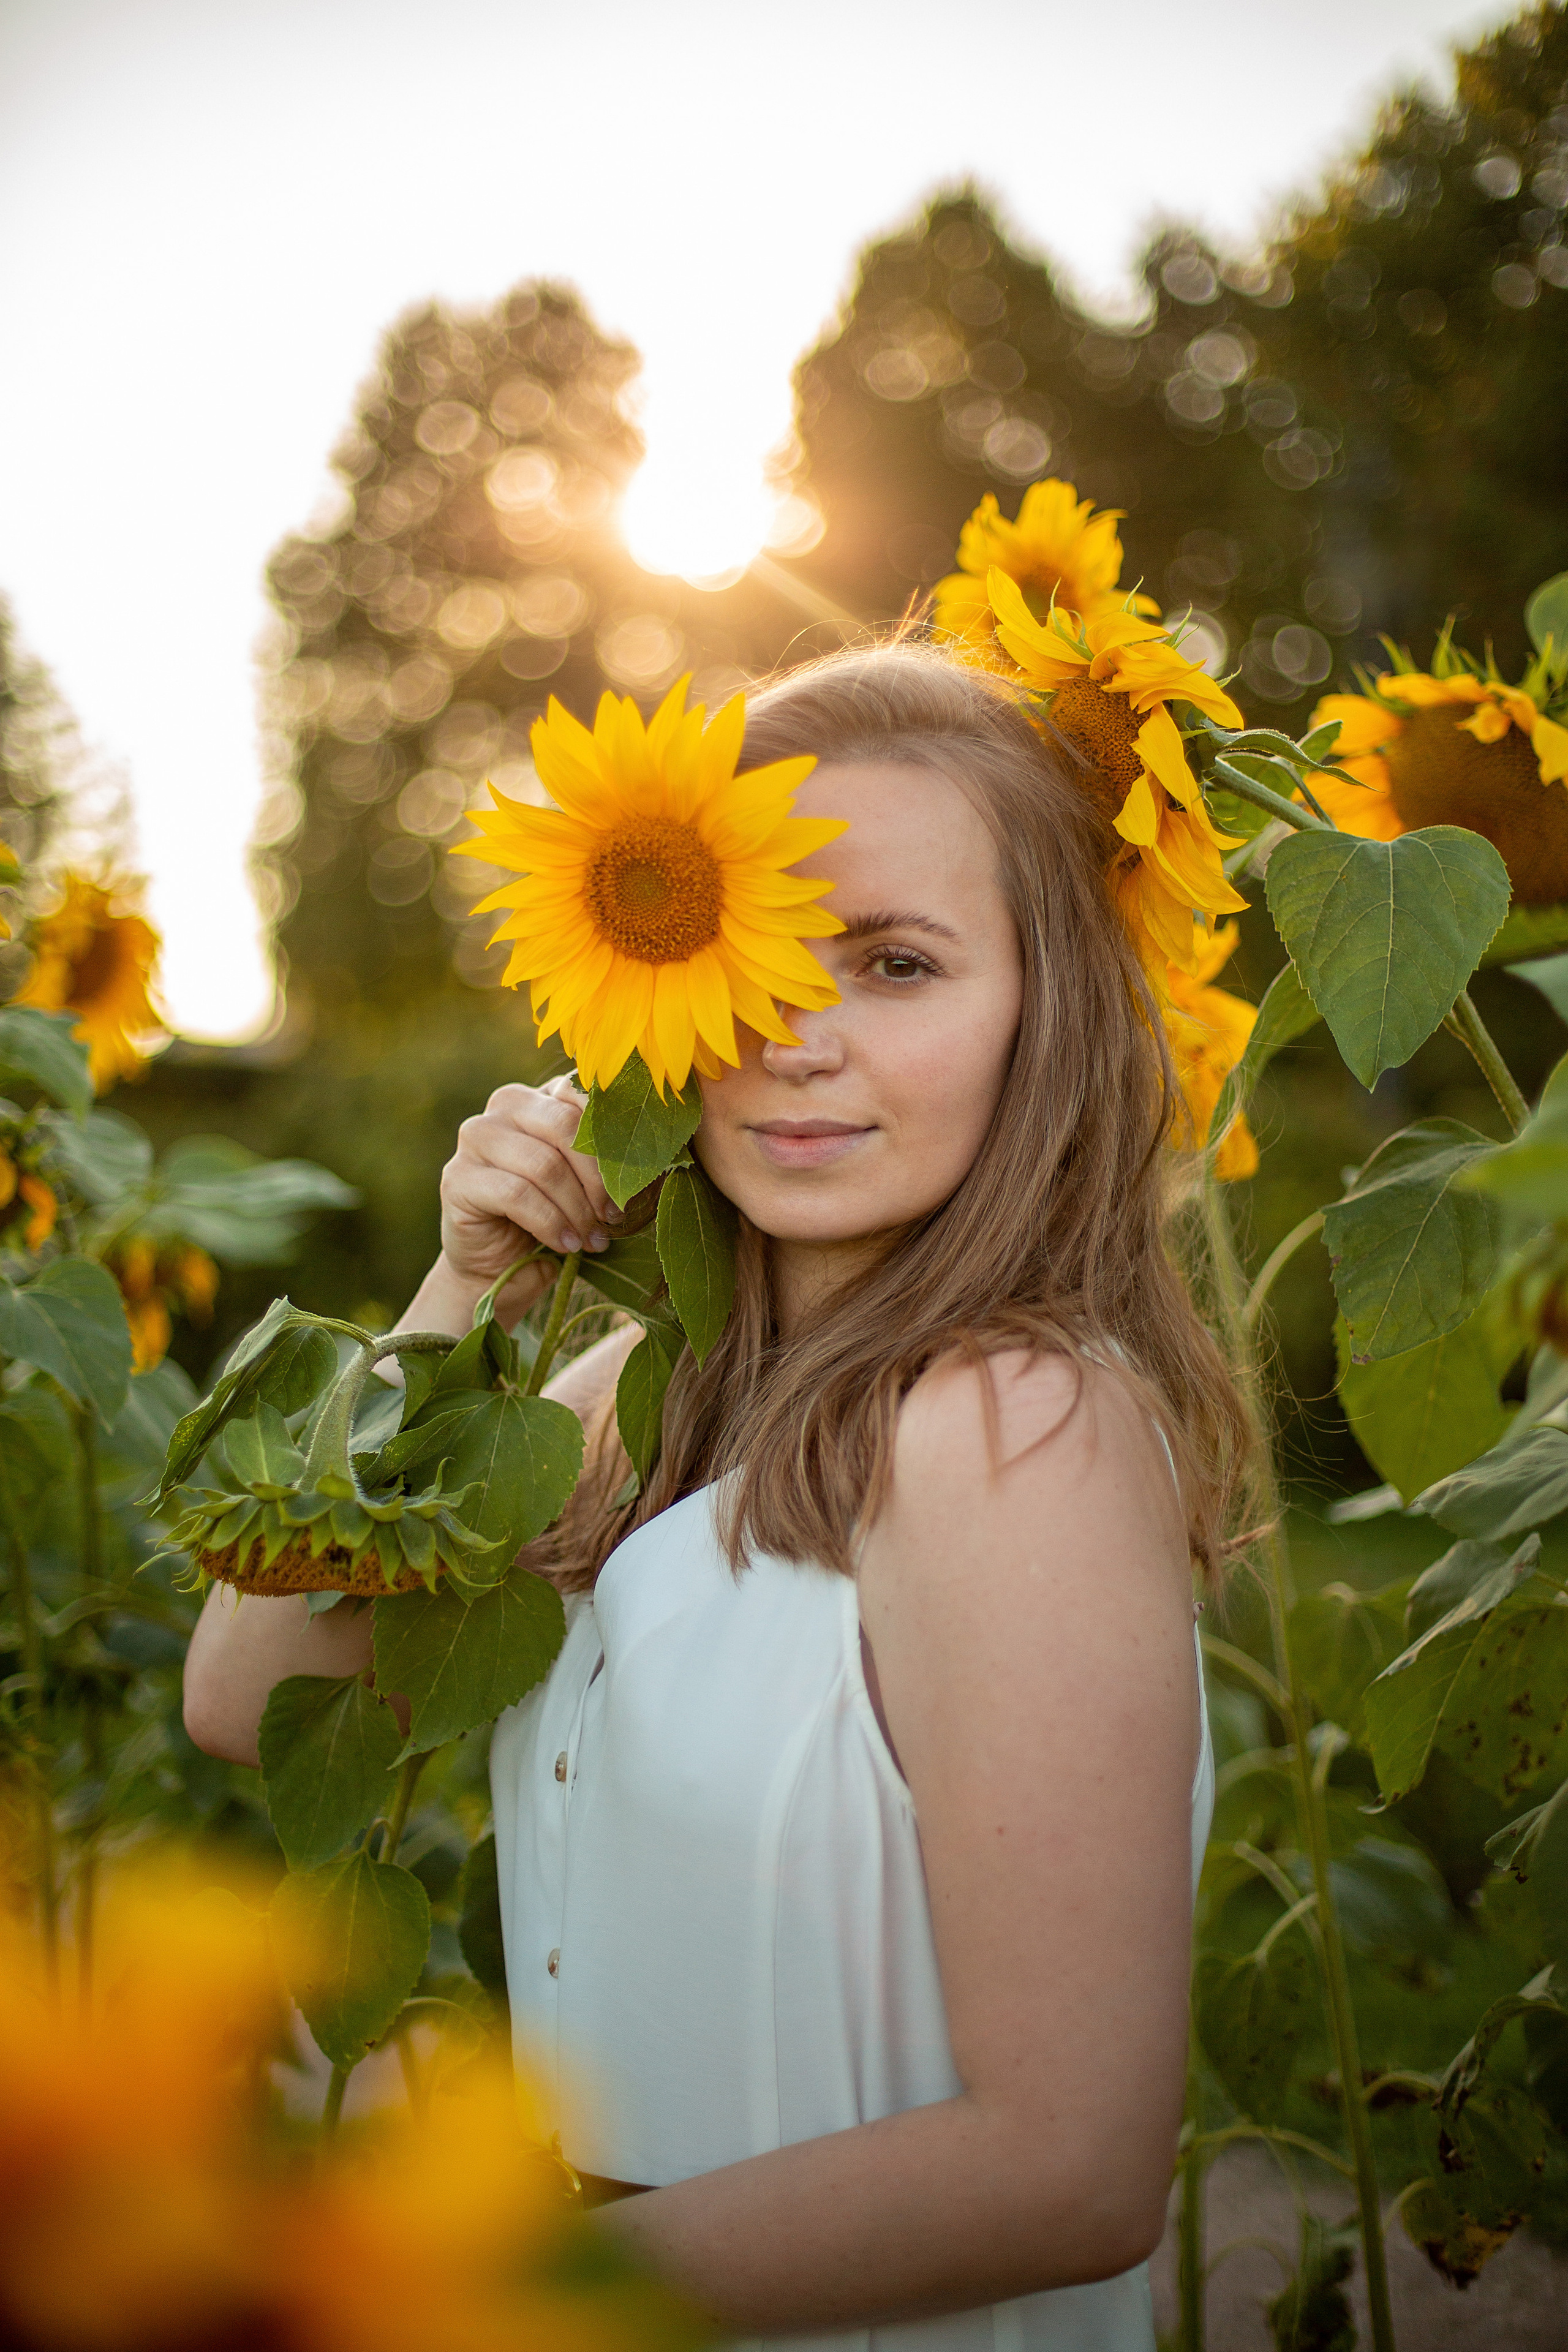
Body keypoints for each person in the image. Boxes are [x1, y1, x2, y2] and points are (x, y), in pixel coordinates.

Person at [184, 641, 1251, 2350]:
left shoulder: (1011, 1425)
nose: (797, 1038)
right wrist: (461, 1299)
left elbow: (1070, 2165)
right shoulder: (642, 1400)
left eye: (897, 963)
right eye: (751, 957)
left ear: (1043, 1013)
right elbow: (259, 1698)